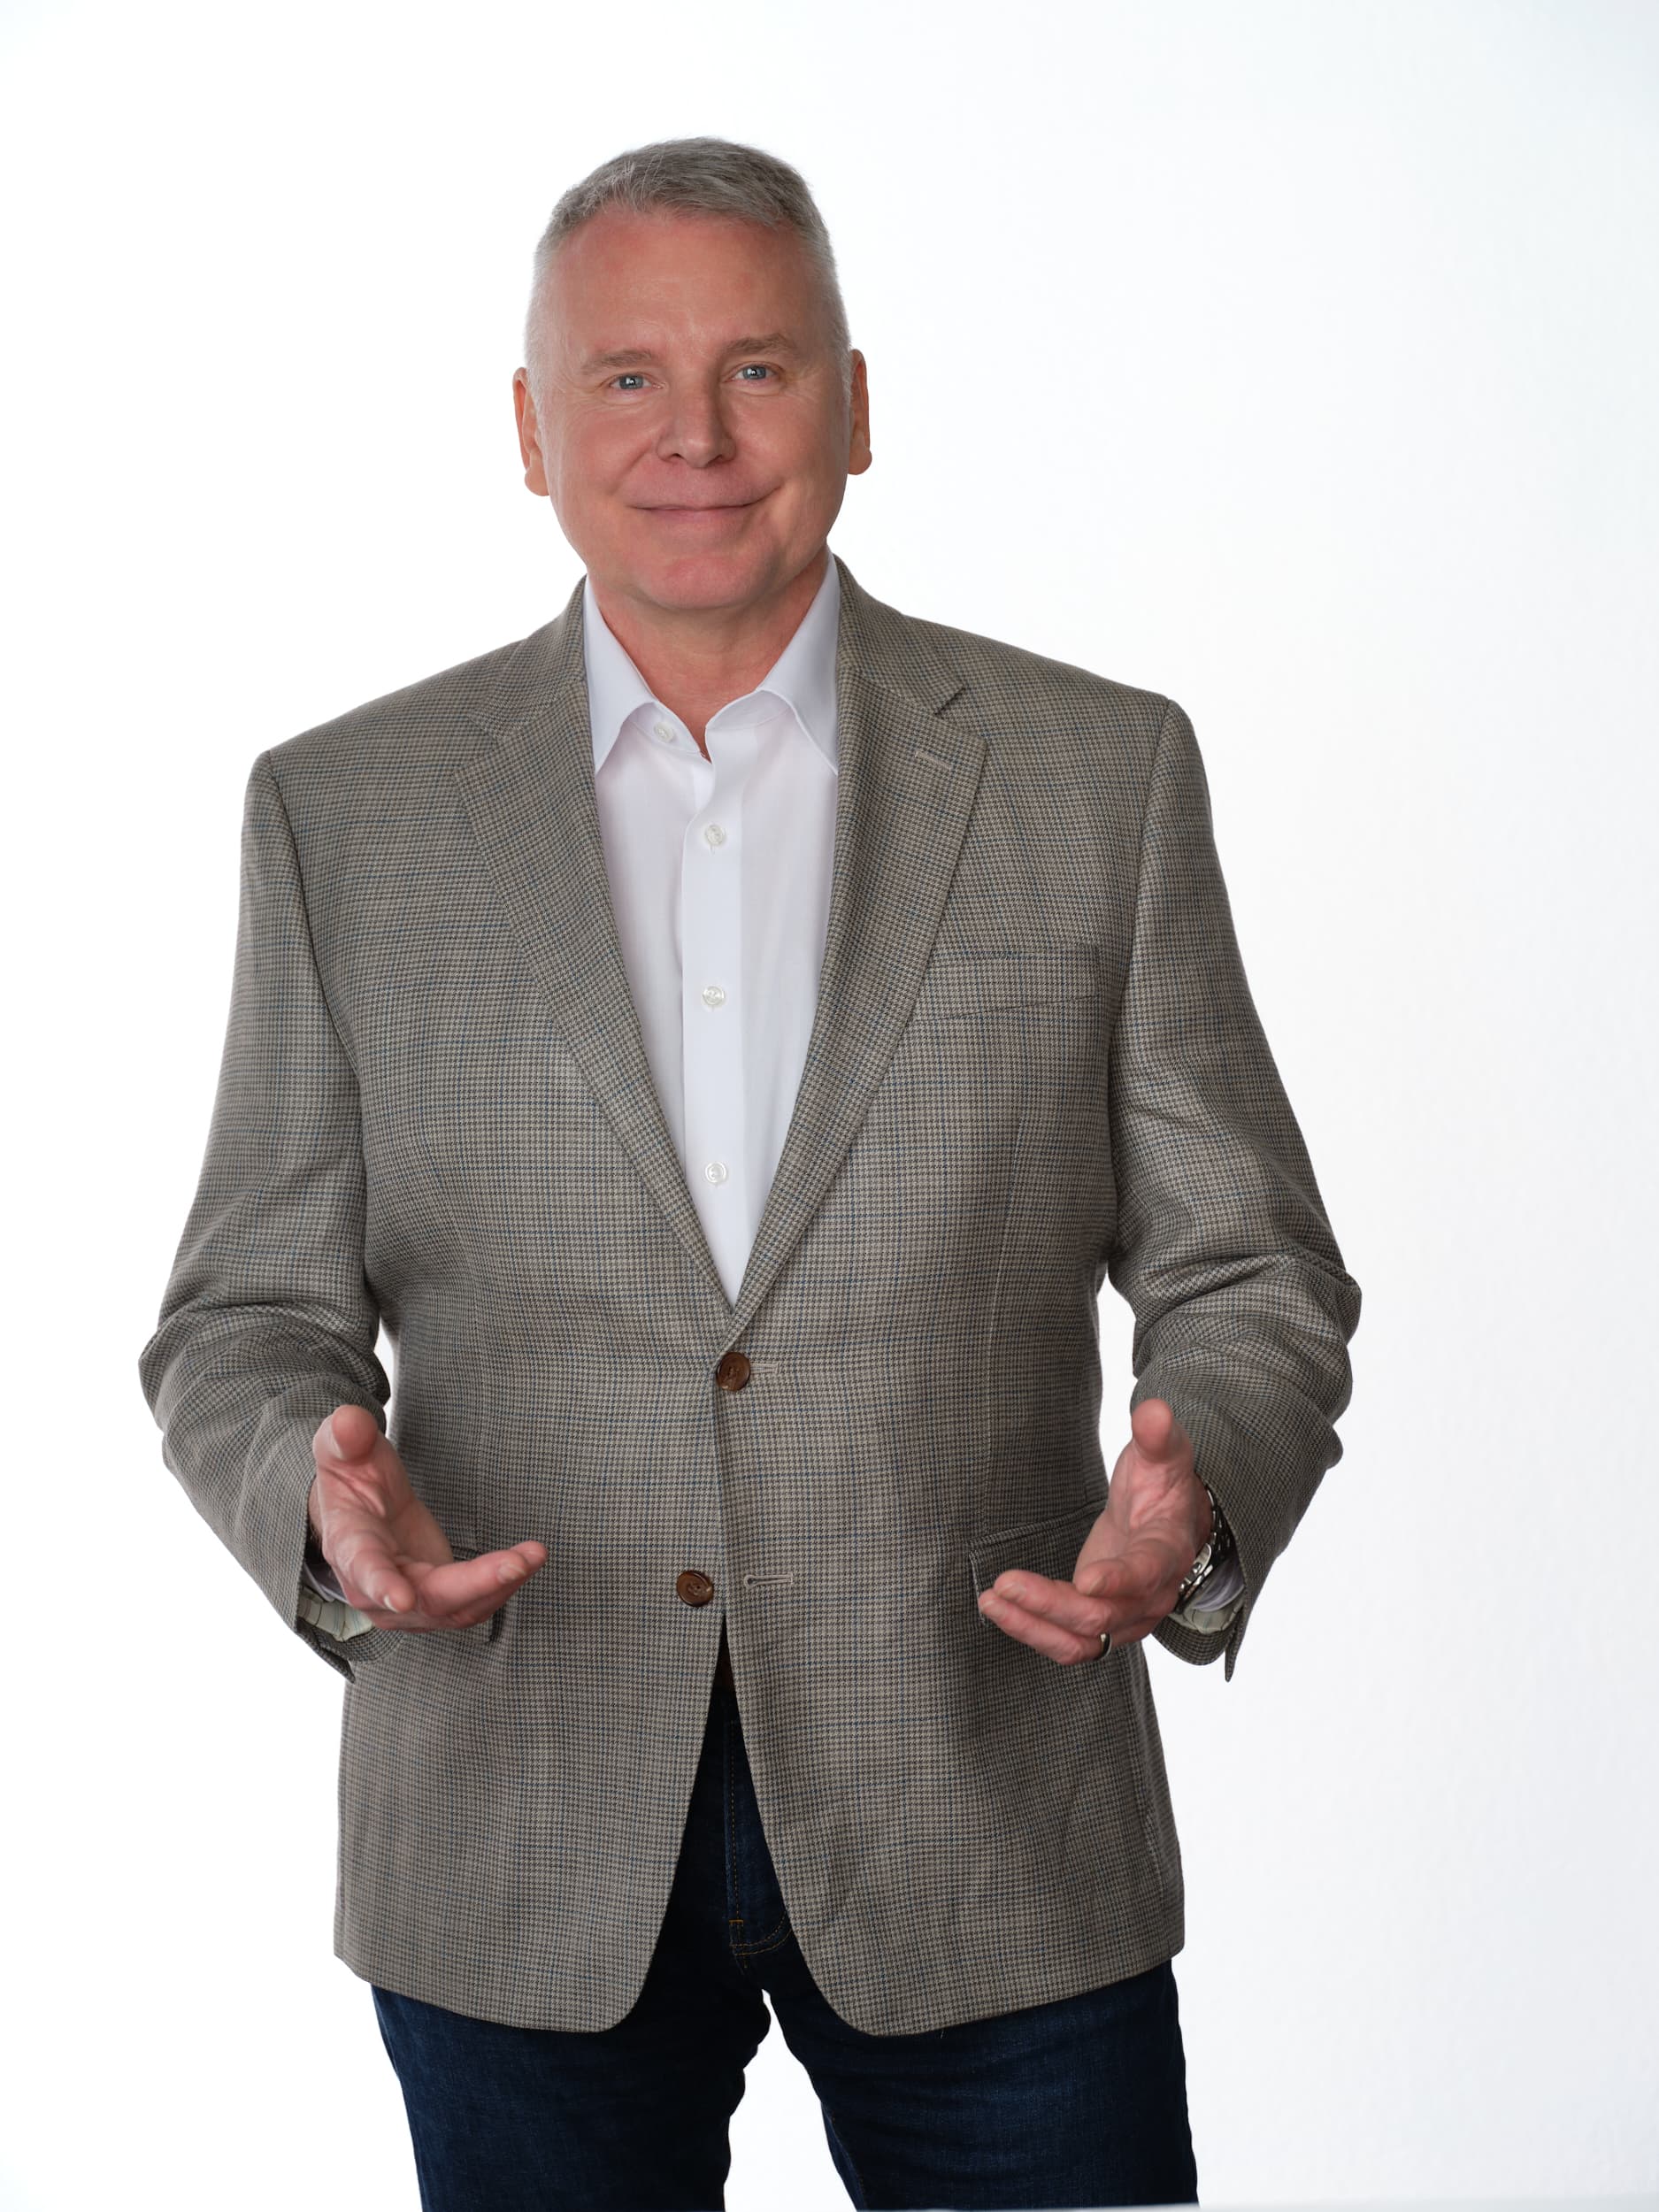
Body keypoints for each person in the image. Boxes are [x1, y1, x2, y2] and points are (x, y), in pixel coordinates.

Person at [139, 134, 1361, 2212]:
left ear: (856, 405)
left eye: (759, 371)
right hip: (516, 1818)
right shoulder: (342, 813)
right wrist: (319, 1508)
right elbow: (241, 1320)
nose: (692, 435)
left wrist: (1200, 1489)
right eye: (623, 377)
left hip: (990, 1798)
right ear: (530, 431)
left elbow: (1249, 1273)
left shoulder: (1096, 773)